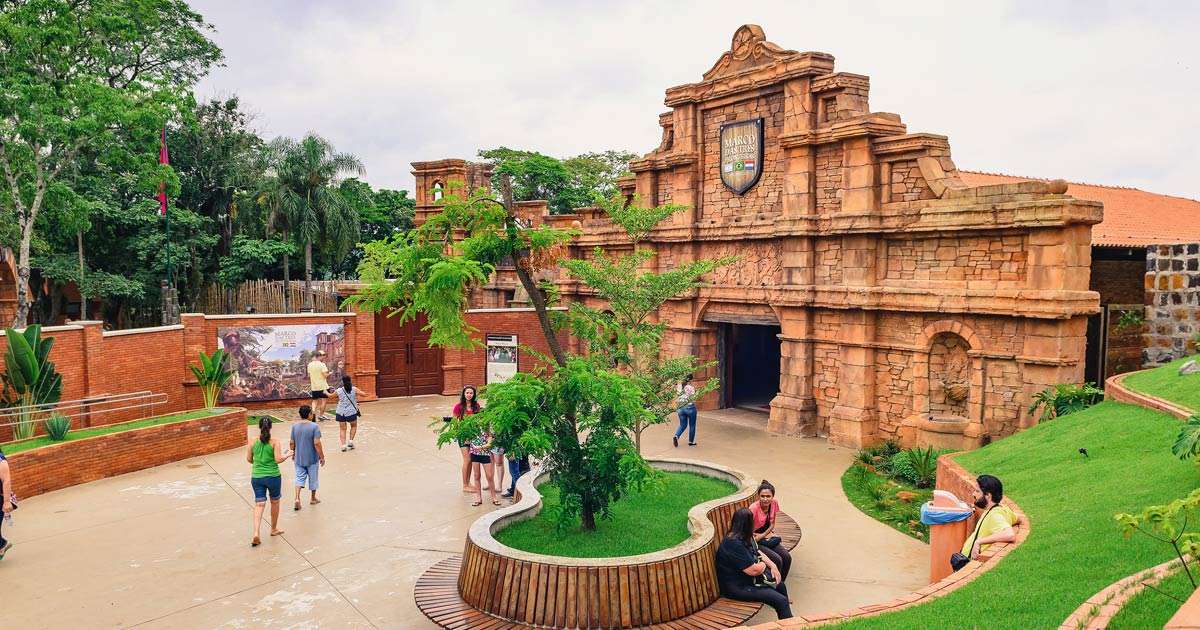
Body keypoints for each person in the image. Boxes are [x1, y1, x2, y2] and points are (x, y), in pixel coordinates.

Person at [715, 508, 792, 620]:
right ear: (749, 523)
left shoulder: (742, 536)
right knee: (781, 601)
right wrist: (763, 565)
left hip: (748, 580)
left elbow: (758, 551)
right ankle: (789, 621)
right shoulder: (733, 543)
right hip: (737, 587)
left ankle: (787, 617)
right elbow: (753, 570)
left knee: (780, 585)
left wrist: (773, 566)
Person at [248, 417, 291, 547]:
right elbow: (278, 459)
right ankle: (273, 529)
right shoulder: (275, 442)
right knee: (275, 501)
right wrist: (287, 455)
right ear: (271, 427)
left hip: (257, 477)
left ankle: (256, 532)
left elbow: (249, 459)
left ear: (259, 427)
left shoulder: (252, 441)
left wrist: (259, 463)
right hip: (273, 476)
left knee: (259, 504)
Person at [961, 474, 1018, 560]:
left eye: (977, 491)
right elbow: (1019, 519)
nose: (973, 494)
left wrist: (979, 541)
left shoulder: (995, 515)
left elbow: (1010, 535)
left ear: (988, 495)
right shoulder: (1003, 509)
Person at [749, 480, 791, 581]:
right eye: (762, 496)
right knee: (778, 560)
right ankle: (774, 584)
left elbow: (772, 524)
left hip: (765, 536)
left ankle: (781, 582)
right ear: (758, 496)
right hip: (753, 540)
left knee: (787, 557)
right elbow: (747, 531)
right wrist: (758, 538)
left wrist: (763, 535)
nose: (765, 499)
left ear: (773, 496)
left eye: (768, 496)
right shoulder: (753, 509)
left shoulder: (774, 503)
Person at [290, 405, 325, 511]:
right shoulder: (314, 426)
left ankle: (297, 498)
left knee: (299, 478)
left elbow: (292, 442)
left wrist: (293, 453)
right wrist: (322, 456)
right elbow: (317, 443)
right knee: (313, 478)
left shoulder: (295, 426)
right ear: (309, 414)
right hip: (312, 458)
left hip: (299, 458)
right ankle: (313, 498)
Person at [452, 385, 482, 492]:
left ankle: (468, 482)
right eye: (467, 393)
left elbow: (479, 421)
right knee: (467, 459)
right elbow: (455, 423)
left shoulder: (476, 406)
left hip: (473, 435)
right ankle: (465, 485)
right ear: (464, 394)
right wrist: (461, 434)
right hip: (463, 436)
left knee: (471, 459)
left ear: (474, 395)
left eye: (471, 393)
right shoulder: (458, 407)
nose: (469, 395)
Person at [467, 426, 499, 507]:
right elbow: (467, 441)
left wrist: (479, 447)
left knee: (489, 476)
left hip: (485, 454)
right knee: (476, 476)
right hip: (474, 454)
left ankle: (494, 497)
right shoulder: (472, 429)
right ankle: (478, 498)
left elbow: (489, 444)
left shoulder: (488, 430)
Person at [334, 375, 362, 452]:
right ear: (350, 381)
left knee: (342, 429)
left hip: (341, 412)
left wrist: (325, 392)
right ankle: (350, 442)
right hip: (351, 412)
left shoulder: (339, 390)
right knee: (353, 426)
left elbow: (330, 396)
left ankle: (343, 446)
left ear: (342, 382)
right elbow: (364, 394)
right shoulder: (354, 389)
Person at [672, 374, 698, 447]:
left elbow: (677, 396)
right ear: (690, 380)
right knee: (692, 425)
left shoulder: (679, 387)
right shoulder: (691, 388)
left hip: (680, 408)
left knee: (682, 425)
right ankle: (691, 442)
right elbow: (693, 399)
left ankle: (676, 436)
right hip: (690, 408)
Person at [308, 350, 332, 421]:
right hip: (323, 386)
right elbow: (325, 375)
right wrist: (330, 373)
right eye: (323, 356)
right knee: (323, 401)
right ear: (319, 356)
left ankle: (313, 415)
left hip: (314, 387)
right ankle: (321, 416)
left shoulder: (310, 365)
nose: (324, 357)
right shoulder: (322, 364)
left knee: (314, 401)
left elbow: (309, 375)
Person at [0, 446, 12, 560]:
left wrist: (7, 502)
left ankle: (2, 544)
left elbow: (6, 480)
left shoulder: (0, 460)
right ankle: (2, 544)